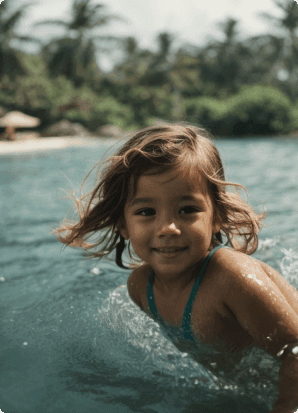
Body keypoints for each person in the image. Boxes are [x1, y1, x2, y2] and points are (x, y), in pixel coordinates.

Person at [55, 122, 298, 412]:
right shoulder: (140, 288)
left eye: (187, 210)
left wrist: (283, 406)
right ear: (123, 224)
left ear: (217, 216)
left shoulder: (232, 278)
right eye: (146, 212)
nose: (168, 228)